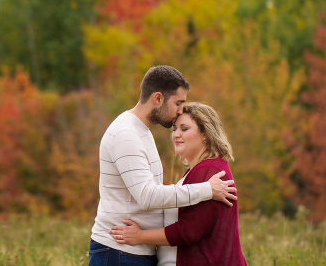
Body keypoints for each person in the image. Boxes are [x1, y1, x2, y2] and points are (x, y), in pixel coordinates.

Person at [88, 65, 237, 266]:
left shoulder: (142, 132)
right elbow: (148, 196)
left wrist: (144, 237)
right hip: (119, 251)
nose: (180, 110)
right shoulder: (126, 135)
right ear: (158, 99)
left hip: (134, 251)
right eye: (178, 103)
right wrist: (207, 189)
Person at [110, 102, 247, 265]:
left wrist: (140, 236)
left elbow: (189, 230)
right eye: (174, 129)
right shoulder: (198, 170)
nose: (176, 134)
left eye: (184, 128)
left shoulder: (210, 170)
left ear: (205, 133)